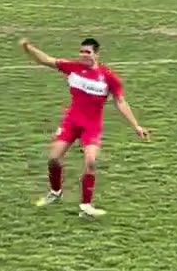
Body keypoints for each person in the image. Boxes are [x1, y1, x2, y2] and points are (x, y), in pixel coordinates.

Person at [19, 36, 149, 218]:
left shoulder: (109, 78)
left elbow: (120, 102)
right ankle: (56, 192)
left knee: (91, 162)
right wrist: (28, 47)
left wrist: (136, 126)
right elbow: (45, 60)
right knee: (53, 159)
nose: (83, 55)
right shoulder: (73, 68)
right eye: (81, 51)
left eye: (87, 52)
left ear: (96, 54)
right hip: (72, 122)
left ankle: (86, 206)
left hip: (92, 126)